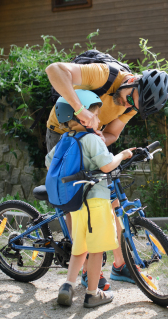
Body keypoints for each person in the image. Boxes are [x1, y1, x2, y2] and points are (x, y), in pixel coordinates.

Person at [45, 62, 168, 285]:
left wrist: (102, 140)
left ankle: (121, 265)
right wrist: (80, 110)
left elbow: (112, 133)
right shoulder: (105, 75)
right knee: (75, 203)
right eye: (130, 99)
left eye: (134, 107)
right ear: (132, 81)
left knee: (110, 202)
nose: (128, 105)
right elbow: (54, 70)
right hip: (62, 136)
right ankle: (85, 271)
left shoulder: (131, 105)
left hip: (91, 139)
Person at [47, 90, 136, 308]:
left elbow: (50, 164)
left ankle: (68, 284)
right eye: (95, 115)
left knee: (80, 246)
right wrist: (122, 155)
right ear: (81, 117)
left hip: (76, 202)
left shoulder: (64, 140)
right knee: (97, 249)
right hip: (96, 200)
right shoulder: (91, 140)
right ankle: (92, 293)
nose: (98, 119)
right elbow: (106, 165)